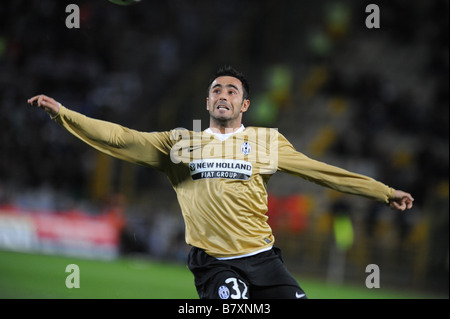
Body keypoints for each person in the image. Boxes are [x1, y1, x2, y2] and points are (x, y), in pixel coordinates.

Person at [27, 65, 413, 299]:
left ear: (244, 104)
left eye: (232, 90)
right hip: (213, 263)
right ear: (207, 102)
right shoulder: (180, 143)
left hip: (263, 259)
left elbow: (323, 172)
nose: (223, 94)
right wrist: (65, 114)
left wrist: (384, 192)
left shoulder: (265, 142)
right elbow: (120, 138)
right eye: (216, 90)